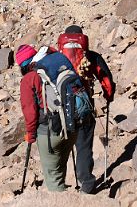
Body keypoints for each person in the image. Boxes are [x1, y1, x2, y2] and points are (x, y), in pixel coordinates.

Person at [56, 25, 116, 194]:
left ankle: (58, 186)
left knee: (61, 147)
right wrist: (108, 96)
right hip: (83, 108)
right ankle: (87, 183)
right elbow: (107, 80)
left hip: (61, 109)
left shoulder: (56, 58)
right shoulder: (91, 57)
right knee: (83, 147)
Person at [16, 43, 77, 192]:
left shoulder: (29, 79)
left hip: (50, 131)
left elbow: (30, 112)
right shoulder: (55, 66)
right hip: (71, 124)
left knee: (53, 178)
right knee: (61, 166)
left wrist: (30, 134)